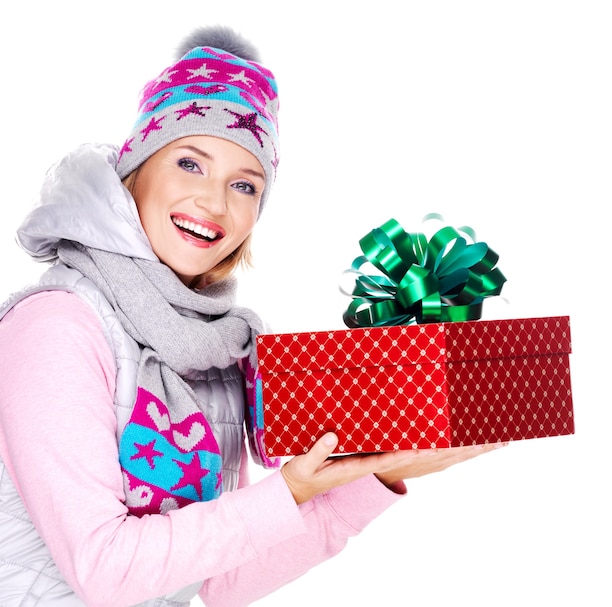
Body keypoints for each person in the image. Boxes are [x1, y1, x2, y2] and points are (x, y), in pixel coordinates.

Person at [0, 25, 501, 607]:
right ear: (135, 171)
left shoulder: (218, 348)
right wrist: (285, 490)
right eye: (190, 163)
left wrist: (373, 474)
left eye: (244, 184)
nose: (214, 203)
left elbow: (218, 581)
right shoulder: (57, 327)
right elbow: (105, 572)